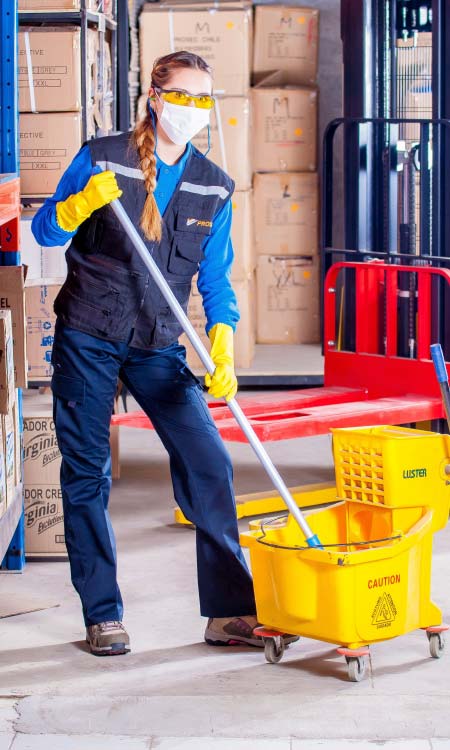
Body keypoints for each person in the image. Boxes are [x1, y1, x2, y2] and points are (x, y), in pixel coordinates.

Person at [32, 51, 297, 657]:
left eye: (205, 99)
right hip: (90, 335)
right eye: (183, 96)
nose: (194, 109)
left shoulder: (212, 183)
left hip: (157, 343)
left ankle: (228, 612)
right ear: (155, 97)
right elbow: (46, 232)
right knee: (86, 475)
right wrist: (77, 206)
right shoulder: (103, 158)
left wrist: (223, 346)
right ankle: (103, 614)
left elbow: (218, 281)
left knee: (210, 463)